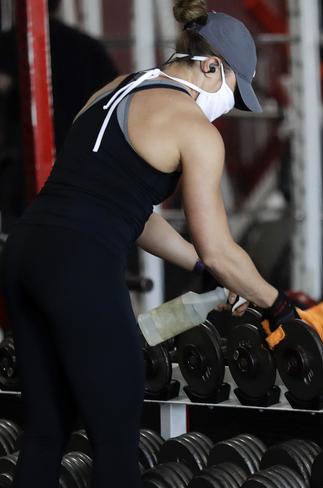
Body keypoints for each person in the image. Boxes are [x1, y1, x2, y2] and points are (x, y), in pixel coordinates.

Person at [0, 1, 296, 486]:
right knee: (115, 441)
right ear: (211, 66)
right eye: (232, 93)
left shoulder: (113, 88)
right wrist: (279, 306)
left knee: (45, 433)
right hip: (79, 266)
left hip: (25, 253)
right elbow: (223, 250)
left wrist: (200, 267)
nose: (228, 108)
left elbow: (129, 212)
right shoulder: (194, 129)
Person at [0, 0, 118, 229]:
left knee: (25, 232)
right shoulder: (88, 47)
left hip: (23, 162)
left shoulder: (9, 44)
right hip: (84, 156)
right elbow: (115, 100)